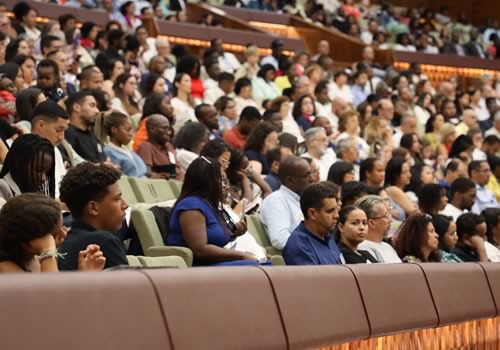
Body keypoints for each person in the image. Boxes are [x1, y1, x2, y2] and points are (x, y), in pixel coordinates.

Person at [168, 157, 259, 266]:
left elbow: (215, 239)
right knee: (259, 268)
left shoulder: (210, 205)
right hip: (199, 270)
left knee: (267, 265)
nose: (225, 186)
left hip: (215, 265)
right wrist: (240, 255)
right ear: (206, 181)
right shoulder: (191, 206)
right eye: (221, 180)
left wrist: (233, 234)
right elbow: (200, 250)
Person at [0, 193, 106, 273]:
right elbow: (51, 297)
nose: (65, 233)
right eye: (55, 234)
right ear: (28, 243)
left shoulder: (35, 258)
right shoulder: (5, 269)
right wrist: (48, 251)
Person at [58, 162, 129, 270]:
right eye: (117, 199)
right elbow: (130, 286)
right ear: (93, 208)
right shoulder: (104, 242)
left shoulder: (65, 243)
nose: (125, 205)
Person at [260, 156, 313, 250]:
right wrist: (313, 245)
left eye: (311, 173)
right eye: (307, 175)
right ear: (290, 180)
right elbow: (280, 240)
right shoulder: (275, 200)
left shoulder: (304, 199)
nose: (312, 179)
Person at [283, 183, 342, 265]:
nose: (336, 215)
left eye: (336, 210)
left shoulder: (329, 238)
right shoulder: (299, 245)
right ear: (312, 214)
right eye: (330, 211)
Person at [0, 134, 55, 202]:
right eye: (38, 170)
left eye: (47, 173)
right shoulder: (2, 187)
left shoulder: (37, 192)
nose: (44, 178)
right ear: (19, 163)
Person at [96, 112, 147, 178]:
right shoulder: (108, 152)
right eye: (127, 130)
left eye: (132, 130)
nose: (131, 134)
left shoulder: (128, 150)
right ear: (114, 130)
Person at [356, 195, 402, 263]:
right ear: (372, 223)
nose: (390, 220)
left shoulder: (387, 246)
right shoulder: (363, 248)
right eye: (386, 216)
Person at [137, 114, 181, 180]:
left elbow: (178, 168)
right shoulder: (146, 146)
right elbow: (145, 172)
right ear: (152, 129)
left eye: (169, 129)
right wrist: (160, 176)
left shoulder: (168, 145)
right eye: (164, 128)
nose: (168, 132)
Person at [65, 91, 104, 163]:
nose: (97, 111)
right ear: (77, 107)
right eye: (92, 105)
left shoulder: (93, 136)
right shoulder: (67, 134)